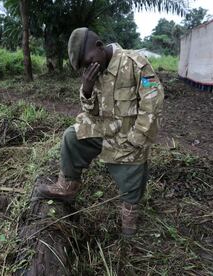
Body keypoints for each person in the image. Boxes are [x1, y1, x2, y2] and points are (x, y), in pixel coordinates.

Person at [37, 27, 164, 236]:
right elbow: (91, 111)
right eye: (84, 67)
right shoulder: (94, 72)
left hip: (128, 136)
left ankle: (129, 216)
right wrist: (86, 89)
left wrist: (136, 139)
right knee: (72, 136)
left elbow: (153, 104)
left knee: (132, 180)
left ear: (99, 46)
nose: (88, 68)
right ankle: (67, 186)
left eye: (88, 61)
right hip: (103, 129)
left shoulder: (135, 63)